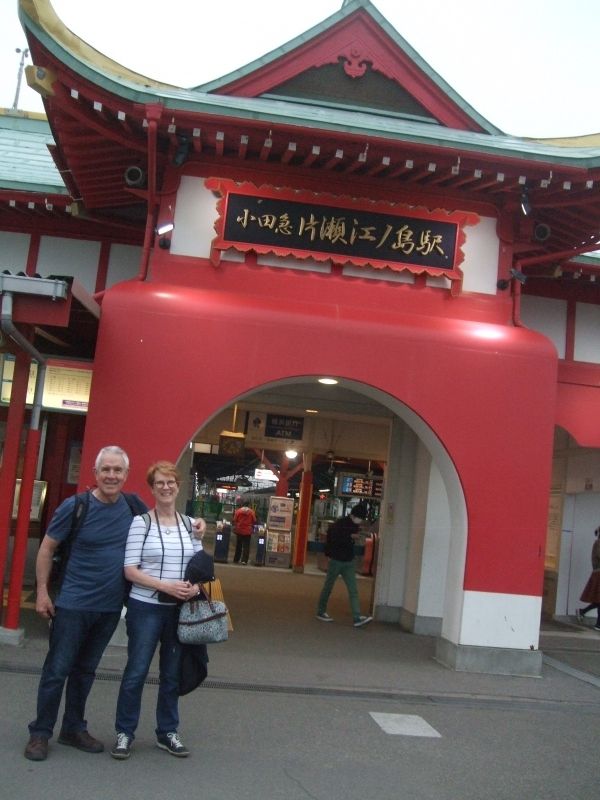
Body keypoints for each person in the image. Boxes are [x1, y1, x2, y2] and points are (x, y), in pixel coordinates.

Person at [24, 445, 147, 762]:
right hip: (72, 605)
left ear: (125, 475)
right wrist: (41, 592)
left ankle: (73, 728)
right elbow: (47, 549)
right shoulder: (75, 506)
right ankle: (40, 733)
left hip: (109, 608)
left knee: (86, 671)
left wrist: (194, 525)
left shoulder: (132, 507)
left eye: (117, 470)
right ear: (95, 473)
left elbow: (164, 523)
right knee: (57, 670)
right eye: (105, 469)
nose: (111, 475)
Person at [110, 461, 205, 760]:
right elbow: (130, 571)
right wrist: (166, 586)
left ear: (178, 487)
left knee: (171, 674)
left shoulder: (191, 524)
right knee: (136, 671)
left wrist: (193, 586)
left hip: (179, 609)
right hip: (145, 607)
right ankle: (125, 732)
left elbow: (199, 564)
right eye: (159, 483)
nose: (166, 487)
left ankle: (168, 731)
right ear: (152, 488)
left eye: (171, 482)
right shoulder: (142, 523)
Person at [316, 502, 373, 628]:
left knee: (351, 590)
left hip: (347, 561)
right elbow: (335, 539)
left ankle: (357, 617)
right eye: (360, 518)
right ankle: (321, 611)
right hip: (338, 560)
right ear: (354, 516)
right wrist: (350, 537)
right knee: (330, 587)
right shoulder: (341, 525)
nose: (360, 521)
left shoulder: (348, 525)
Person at [577, 526, 600, 631]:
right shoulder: (598, 543)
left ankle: (582, 612)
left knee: (598, 600)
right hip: (598, 573)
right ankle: (598, 624)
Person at [232, 499, 257, 565]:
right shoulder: (251, 512)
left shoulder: (238, 511)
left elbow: (234, 520)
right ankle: (244, 560)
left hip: (239, 530)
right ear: (249, 505)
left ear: (243, 505)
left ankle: (236, 559)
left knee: (238, 546)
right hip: (247, 531)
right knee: (246, 546)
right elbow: (254, 520)